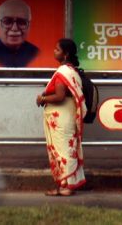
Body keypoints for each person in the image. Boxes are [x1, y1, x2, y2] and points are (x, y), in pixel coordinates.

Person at [35, 38, 86, 196]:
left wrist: (42, 99)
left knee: (63, 150)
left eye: (57, 49)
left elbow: (60, 96)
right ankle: (66, 185)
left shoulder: (64, 72)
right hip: (65, 116)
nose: (54, 51)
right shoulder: (72, 71)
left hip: (62, 118)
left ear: (66, 54)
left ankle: (65, 187)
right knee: (67, 149)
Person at [0, 0, 40, 67]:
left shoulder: (35, 52)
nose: (14, 28)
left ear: (29, 26)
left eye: (21, 22)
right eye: (7, 21)